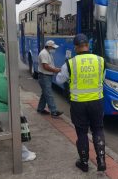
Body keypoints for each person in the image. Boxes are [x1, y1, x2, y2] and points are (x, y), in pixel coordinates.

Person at [56, 33, 106, 172]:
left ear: (76, 47)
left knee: (82, 133)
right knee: (98, 129)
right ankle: (101, 160)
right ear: (87, 45)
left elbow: (60, 80)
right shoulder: (100, 60)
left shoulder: (70, 63)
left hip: (78, 104)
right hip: (97, 101)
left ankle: (84, 163)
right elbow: (102, 78)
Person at [0, 51, 36, 162]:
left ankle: (24, 151)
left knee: (14, 130)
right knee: (15, 131)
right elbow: (9, 97)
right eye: (3, 61)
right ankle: (22, 154)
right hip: (3, 111)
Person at [37, 40, 63, 117]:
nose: (54, 49)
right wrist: (55, 70)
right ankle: (54, 111)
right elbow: (45, 66)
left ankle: (40, 109)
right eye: (53, 47)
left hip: (46, 76)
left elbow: (49, 65)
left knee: (45, 94)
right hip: (44, 76)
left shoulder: (48, 53)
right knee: (49, 94)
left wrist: (56, 68)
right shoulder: (44, 53)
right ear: (48, 46)